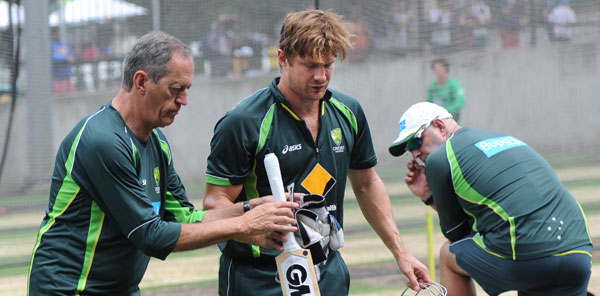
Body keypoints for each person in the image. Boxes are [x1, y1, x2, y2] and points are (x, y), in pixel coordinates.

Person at [27, 31, 299, 295]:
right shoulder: (102, 141)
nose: (184, 100)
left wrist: (254, 207)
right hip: (67, 289)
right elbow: (151, 235)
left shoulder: (156, 141)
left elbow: (185, 217)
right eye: (175, 89)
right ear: (141, 81)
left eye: (186, 89)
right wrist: (245, 224)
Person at [203, 9, 431, 296]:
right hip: (258, 278)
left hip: (328, 269)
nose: (321, 76)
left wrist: (401, 252)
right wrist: (255, 227)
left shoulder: (349, 112)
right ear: (282, 59)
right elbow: (214, 204)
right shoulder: (243, 122)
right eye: (310, 65)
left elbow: (367, 183)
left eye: (328, 65)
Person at [388, 102, 593, 296]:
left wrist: (428, 196)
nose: (414, 153)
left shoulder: (439, 158)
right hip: (579, 252)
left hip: (528, 255)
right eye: (408, 148)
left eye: (416, 141)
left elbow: (456, 234)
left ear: (440, 126)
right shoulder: (503, 137)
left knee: (448, 255)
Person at [426, 58, 465, 123]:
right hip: (437, 122)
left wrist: (444, 111)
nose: (437, 70)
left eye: (440, 68)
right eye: (435, 68)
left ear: (445, 68)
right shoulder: (432, 86)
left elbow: (460, 102)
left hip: (452, 121)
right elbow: (428, 102)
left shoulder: (454, 85)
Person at [50, 27, 76, 94]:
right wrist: (66, 58)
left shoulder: (64, 43)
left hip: (67, 73)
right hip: (57, 75)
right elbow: (53, 57)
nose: (58, 34)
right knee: (60, 95)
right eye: (56, 33)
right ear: (52, 34)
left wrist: (71, 57)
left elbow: (70, 54)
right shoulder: (50, 44)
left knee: (71, 93)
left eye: (59, 32)